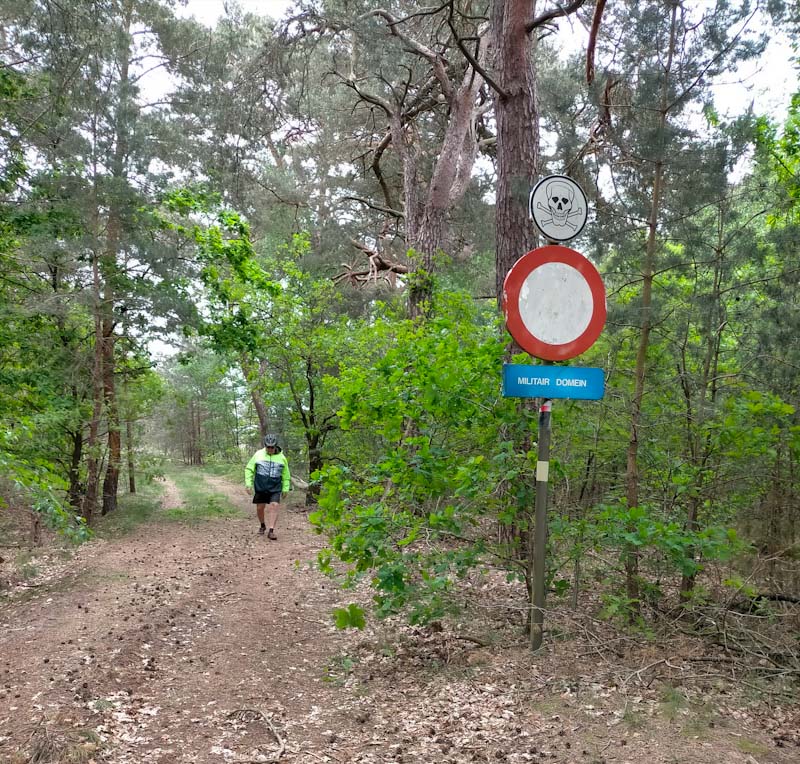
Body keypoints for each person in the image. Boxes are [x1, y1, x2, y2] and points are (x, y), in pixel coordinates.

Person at [245, 434, 291, 539]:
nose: (270, 449)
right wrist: (248, 484)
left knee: (274, 505)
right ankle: (262, 525)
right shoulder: (258, 454)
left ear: (275, 446)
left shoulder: (282, 458)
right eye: (268, 447)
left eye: (272, 447)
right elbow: (249, 469)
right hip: (261, 486)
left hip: (275, 487)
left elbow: (286, 474)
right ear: (265, 446)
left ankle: (271, 530)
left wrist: (285, 488)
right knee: (260, 507)